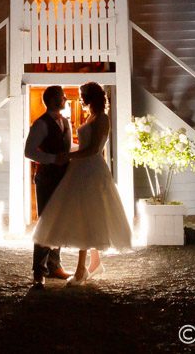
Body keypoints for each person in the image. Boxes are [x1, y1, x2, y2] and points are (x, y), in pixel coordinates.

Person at [32, 81, 133, 284]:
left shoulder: (102, 119)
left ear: (90, 97)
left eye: (82, 95)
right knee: (82, 215)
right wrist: (67, 152)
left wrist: (68, 156)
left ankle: (81, 270)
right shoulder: (91, 116)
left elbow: (94, 149)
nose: (79, 98)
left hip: (92, 170)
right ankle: (90, 264)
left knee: (89, 215)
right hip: (80, 168)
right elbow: (83, 145)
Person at [24, 84, 73, 287]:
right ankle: (38, 270)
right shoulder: (41, 124)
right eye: (62, 97)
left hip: (64, 177)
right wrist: (52, 159)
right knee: (46, 222)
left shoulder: (65, 122)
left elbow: (68, 148)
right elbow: (29, 151)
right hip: (46, 178)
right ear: (53, 100)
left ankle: (55, 265)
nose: (65, 100)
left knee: (60, 220)